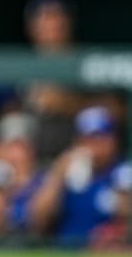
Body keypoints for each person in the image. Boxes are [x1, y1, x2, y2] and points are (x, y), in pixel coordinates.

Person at [27, 106, 128, 247]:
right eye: (87, 139)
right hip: (66, 255)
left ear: (112, 140)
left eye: (99, 138)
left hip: (107, 255)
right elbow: (37, 220)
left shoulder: (123, 174)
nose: (94, 146)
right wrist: (57, 175)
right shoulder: (65, 173)